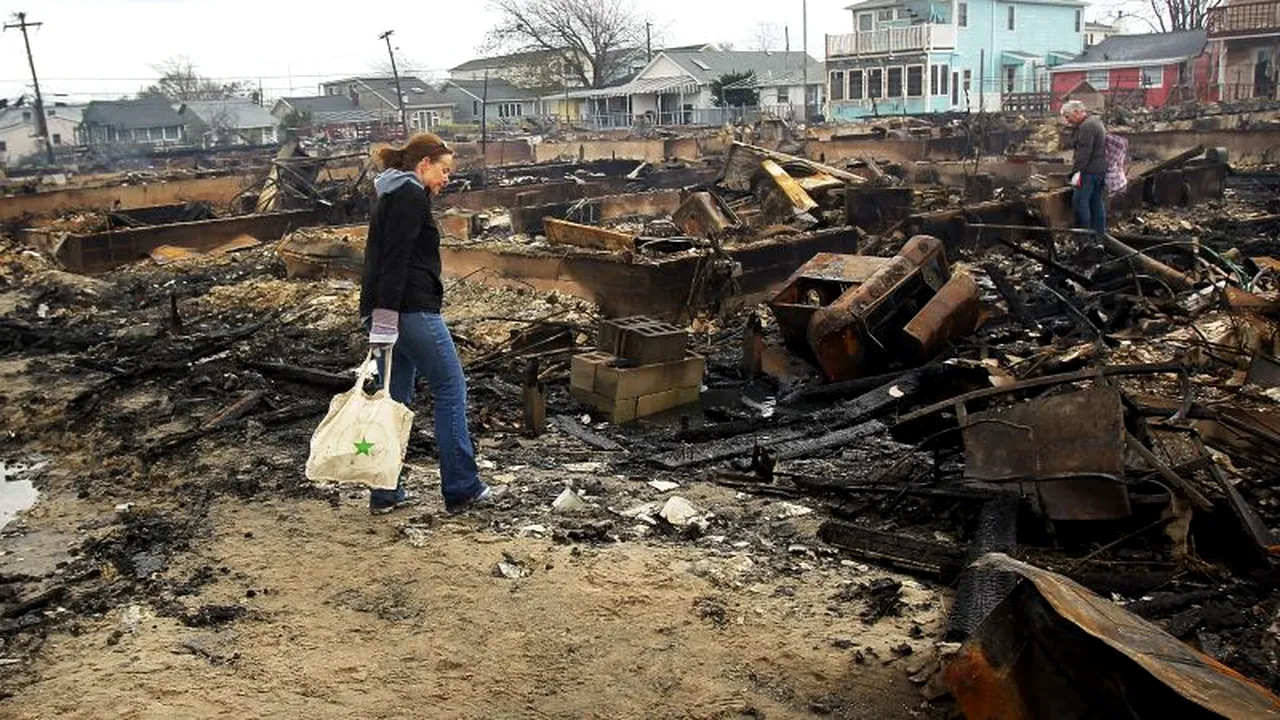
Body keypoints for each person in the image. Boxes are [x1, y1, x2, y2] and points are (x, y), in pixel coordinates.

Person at [360, 132, 491, 515]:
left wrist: (379, 319)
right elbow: (395, 260)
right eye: (444, 170)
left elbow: (381, 257)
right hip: (409, 311)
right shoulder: (409, 195)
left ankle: (385, 492)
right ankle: (462, 488)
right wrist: (384, 320)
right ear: (424, 165)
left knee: (394, 399)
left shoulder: (391, 192)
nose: (447, 178)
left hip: (391, 312)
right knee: (451, 388)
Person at [1062, 100, 1108, 240]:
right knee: (1096, 203)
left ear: (1077, 112)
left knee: (1081, 203)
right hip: (1099, 169)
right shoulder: (1095, 122)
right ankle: (1099, 237)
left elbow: (1084, 153)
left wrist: (1075, 172)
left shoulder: (1086, 127)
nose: (1067, 120)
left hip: (1088, 172)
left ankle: (1083, 238)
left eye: (1067, 116)